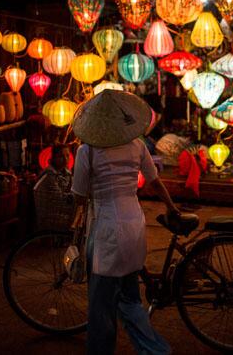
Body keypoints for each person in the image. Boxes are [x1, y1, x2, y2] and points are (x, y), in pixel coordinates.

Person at [70, 90, 179, 355]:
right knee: (130, 298)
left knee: (101, 306)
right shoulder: (137, 145)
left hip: (106, 229)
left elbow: (79, 195)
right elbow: (154, 181)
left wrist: (75, 224)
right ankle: (154, 350)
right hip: (134, 224)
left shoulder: (87, 151)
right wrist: (172, 207)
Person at [33, 144, 74, 231]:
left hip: (63, 212)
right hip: (51, 216)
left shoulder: (67, 173)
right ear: (54, 158)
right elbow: (59, 198)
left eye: (67, 155)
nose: (65, 159)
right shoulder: (49, 176)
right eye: (61, 156)